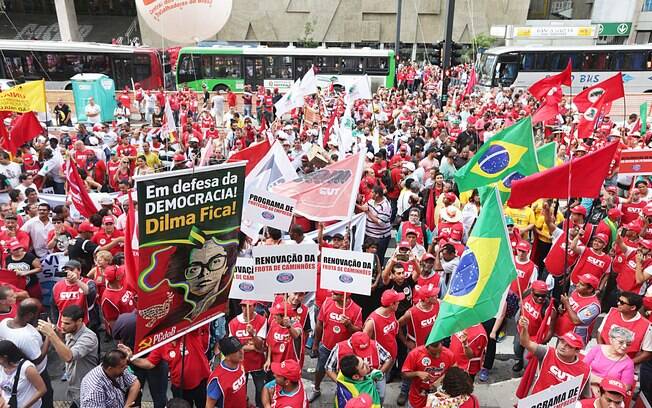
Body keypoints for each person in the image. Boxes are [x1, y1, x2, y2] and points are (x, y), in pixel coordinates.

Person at [129, 328, 210, 408]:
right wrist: (131, 358)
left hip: (201, 384)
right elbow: (150, 363)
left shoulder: (190, 333)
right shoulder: (161, 344)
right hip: (179, 387)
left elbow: (195, 320)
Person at [37, 304, 98, 407]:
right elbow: (64, 346)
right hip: (74, 387)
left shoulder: (89, 338)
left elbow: (68, 357)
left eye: (67, 323)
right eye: (61, 322)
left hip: (86, 389)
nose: (63, 326)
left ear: (79, 321)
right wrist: (57, 332)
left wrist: (51, 334)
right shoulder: (71, 331)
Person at [310, 291, 363, 402]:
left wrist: (349, 325)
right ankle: (316, 389)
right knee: (320, 369)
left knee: (343, 373)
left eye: (336, 293)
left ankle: (342, 392)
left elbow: (358, 331)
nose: (332, 294)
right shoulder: (327, 302)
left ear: (345, 295)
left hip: (344, 351)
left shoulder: (356, 309)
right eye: (333, 292)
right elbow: (319, 324)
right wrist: (315, 344)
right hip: (326, 346)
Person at [518, 316, 591, 398]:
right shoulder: (547, 352)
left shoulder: (584, 370)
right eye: (562, 342)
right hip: (537, 400)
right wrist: (524, 329)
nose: (563, 346)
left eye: (569, 346)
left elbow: (585, 397)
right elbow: (525, 343)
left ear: (577, 351)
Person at [0, 298, 51, 406]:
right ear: (30, 315)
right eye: (37, 314)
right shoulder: (27, 337)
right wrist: (48, 335)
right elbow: (38, 359)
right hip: (36, 373)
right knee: (45, 399)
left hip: (14, 372)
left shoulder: (4, 323)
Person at [227, 299, 267, 407]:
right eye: (243, 306)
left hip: (257, 364)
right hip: (240, 364)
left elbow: (260, 346)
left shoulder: (262, 320)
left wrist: (253, 335)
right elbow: (233, 347)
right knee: (241, 391)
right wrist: (252, 347)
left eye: (249, 306)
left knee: (260, 388)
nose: (245, 309)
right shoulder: (233, 323)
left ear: (255, 306)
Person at [597, 291, 652, 362]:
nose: (618, 303)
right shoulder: (612, 312)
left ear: (632, 308)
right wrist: (603, 353)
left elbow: (647, 353)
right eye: (618, 300)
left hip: (625, 365)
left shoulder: (647, 326)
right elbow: (600, 333)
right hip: (603, 358)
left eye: (622, 303)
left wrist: (625, 364)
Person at [401, 340, 455, 408]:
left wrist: (441, 379)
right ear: (426, 347)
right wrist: (417, 373)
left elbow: (454, 371)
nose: (437, 356)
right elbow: (404, 374)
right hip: (417, 400)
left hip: (438, 402)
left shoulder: (449, 354)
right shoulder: (415, 354)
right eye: (433, 353)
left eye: (439, 352)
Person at [584, 326, 635, 396]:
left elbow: (625, 387)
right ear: (611, 340)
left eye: (628, 344)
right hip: (586, 385)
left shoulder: (628, 363)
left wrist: (600, 384)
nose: (624, 346)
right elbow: (581, 368)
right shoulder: (597, 349)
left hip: (608, 394)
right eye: (621, 342)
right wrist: (592, 383)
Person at [0, 339, 46, 408]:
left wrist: (25, 407)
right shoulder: (1, 367)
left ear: (5, 357)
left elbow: (42, 390)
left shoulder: (27, 368)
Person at [51, 260, 96, 327]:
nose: (68, 272)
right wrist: (55, 324)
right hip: (64, 325)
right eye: (66, 270)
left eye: (71, 270)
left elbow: (89, 292)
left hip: (84, 324)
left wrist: (76, 281)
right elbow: (54, 308)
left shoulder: (89, 282)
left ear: (79, 270)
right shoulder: (57, 286)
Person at [206, 336, 247, 407]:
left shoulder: (240, 363)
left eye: (241, 348)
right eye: (236, 351)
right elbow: (209, 405)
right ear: (227, 356)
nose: (241, 352)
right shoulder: (217, 379)